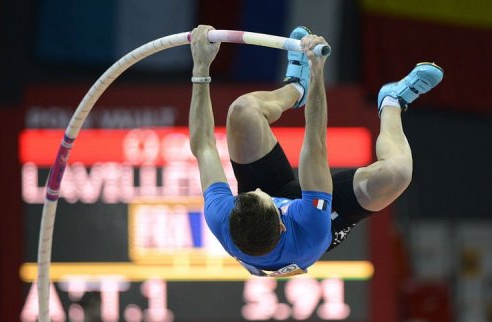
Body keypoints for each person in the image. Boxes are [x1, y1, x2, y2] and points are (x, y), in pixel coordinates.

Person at [188, 25, 443, 277]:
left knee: (242, 111)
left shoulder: (222, 217)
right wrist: (317, 70)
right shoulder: (310, 227)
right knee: (397, 173)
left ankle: (297, 87)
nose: (255, 190)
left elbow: (203, 145)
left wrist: (201, 66)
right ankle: (391, 102)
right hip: (320, 225)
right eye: (260, 195)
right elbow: (316, 145)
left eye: (248, 195)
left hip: (262, 226)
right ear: (281, 222)